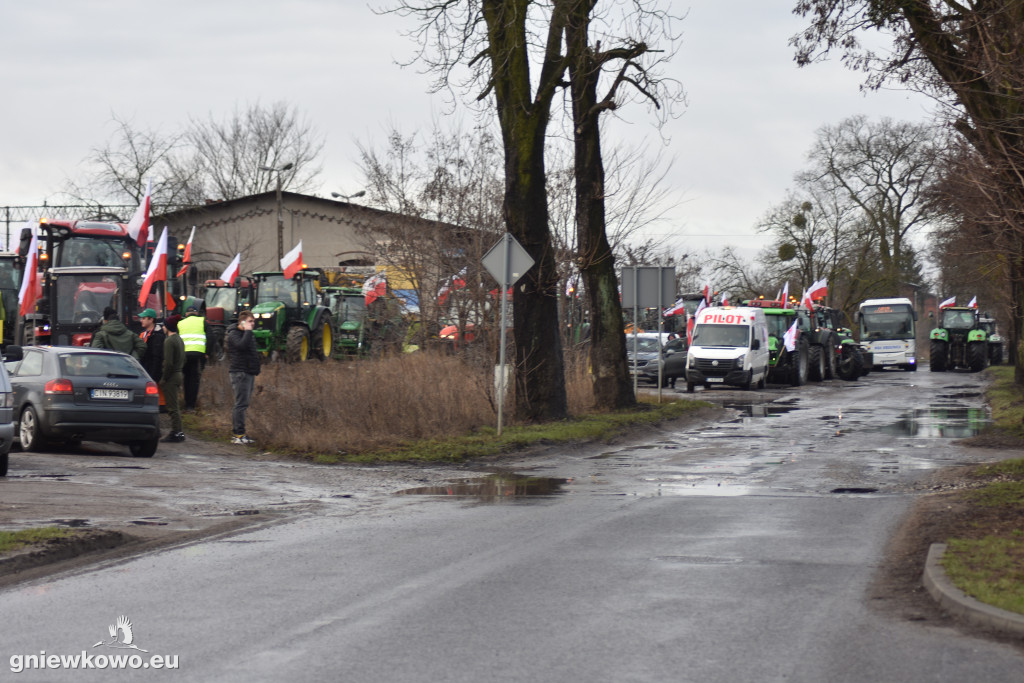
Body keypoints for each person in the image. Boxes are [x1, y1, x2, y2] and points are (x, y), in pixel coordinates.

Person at [226, 310, 260, 444]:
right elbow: (241, 346)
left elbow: (252, 352)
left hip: (248, 372)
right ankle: (238, 434)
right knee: (240, 404)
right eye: (250, 321)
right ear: (243, 322)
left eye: (253, 322)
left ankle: (241, 434)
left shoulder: (248, 334)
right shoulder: (234, 334)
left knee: (244, 404)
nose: (253, 324)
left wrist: (256, 369)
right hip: (240, 372)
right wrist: (247, 331)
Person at [178, 304, 210, 411]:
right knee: (194, 379)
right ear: (197, 313)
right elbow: (212, 337)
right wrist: (207, 352)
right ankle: (191, 405)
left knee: (185, 378)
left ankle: (183, 401)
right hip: (198, 354)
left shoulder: (180, 323)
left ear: (186, 314)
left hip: (183, 355)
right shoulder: (202, 321)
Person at [160, 315, 186, 443]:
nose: (163, 327)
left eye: (164, 325)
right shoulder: (179, 339)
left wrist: (164, 378)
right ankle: (179, 431)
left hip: (171, 376)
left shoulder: (169, 341)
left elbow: (168, 362)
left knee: (172, 406)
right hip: (179, 374)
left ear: (168, 327)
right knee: (175, 405)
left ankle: (176, 432)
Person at [138, 308, 164, 384]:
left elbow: (156, 358)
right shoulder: (142, 334)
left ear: (151, 320)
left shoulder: (158, 335)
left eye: (143, 318)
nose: (141, 320)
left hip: (152, 375)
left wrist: (153, 377)